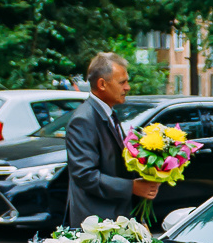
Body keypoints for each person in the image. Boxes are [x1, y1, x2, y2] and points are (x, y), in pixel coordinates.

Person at [61, 52, 159, 226]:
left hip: (113, 217)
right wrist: (133, 187)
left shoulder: (107, 112)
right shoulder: (84, 119)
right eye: (122, 82)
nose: (127, 87)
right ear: (102, 84)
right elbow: (85, 176)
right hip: (96, 223)